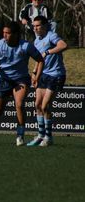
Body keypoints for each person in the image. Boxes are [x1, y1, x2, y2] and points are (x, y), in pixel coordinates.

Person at [0, 21, 44, 146]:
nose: (5, 35)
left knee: (19, 104)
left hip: (21, 79)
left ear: (16, 34)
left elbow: (40, 60)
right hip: (4, 79)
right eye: (3, 33)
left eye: (8, 33)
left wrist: (36, 76)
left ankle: (20, 135)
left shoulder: (26, 46)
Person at [27, 16, 67, 147]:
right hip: (43, 74)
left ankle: (48, 137)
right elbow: (39, 60)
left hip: (56, 75)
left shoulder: (51, 36)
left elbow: (63, 45)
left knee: (45, 106)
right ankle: (40, 135)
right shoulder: (36, 41)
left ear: (44, 26)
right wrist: (34, 73)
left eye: (38, 26)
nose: (35, 28)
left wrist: (48, 52)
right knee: (38, 105)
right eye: (34, 26)